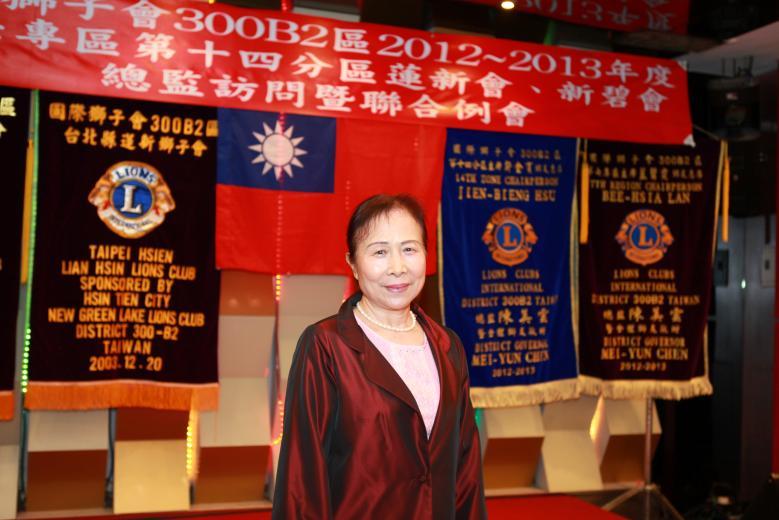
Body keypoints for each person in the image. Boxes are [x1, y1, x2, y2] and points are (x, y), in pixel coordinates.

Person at [272, 194, 486, 519]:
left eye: (409, 249)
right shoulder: (326, 346)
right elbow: (302, 476)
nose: (398, 268)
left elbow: (466, 469)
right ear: (353, 264)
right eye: (380, 252)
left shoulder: (448, 346)